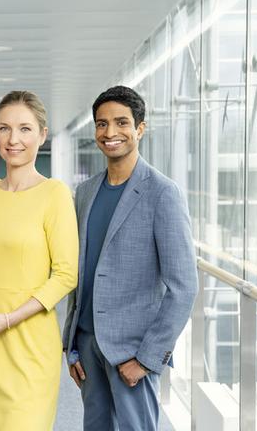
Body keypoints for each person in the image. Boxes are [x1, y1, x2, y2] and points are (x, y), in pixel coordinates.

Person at [62, 85, 198, 430]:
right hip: (89, 345)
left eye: (121, 123)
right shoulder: (86, 192)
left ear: (140, 128)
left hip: (132, 351)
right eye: (101, 124)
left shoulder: (162, 193)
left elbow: (183, 287)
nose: (110, 133)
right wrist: (73, 345)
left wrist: (148, 358)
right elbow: (82, 272)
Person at [0, 90, 79, 430]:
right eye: (4, 128)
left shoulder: (54, 194)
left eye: (25, 129)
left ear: (42, 134)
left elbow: (66, 274)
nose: (13, 139)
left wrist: (9, 319)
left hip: (28, 342)